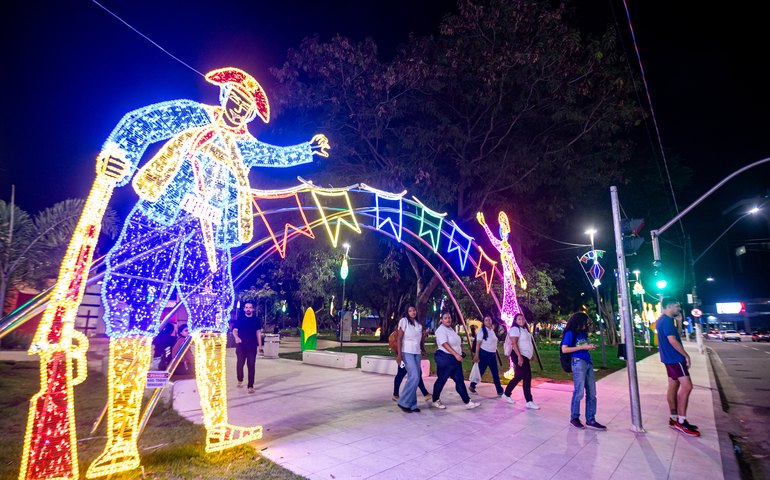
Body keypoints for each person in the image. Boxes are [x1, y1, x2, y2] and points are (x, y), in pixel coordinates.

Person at [85, 67, 330, 476]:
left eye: (246, 106)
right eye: (234, 99)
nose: (238, 109)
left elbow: (275, 154)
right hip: (159, 220)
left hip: (210, 239)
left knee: (212, 321)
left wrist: (308, 149)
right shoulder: (190, 115)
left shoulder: (244, 147)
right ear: (222, 94)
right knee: (134, 312)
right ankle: (120, 444)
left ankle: (217, 427)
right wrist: (119, 156)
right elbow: (141, 123)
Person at [656, 297, 700, 437]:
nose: (679, 309)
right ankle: (682, 422)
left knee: (673, 386)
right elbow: (673, 340)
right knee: (687, 387)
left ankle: (674, 418)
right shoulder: (667, 321)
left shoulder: (663, 320)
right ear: (669, 306)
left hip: (668, 359)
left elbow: (676, 335)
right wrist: (686, 355)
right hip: (675, 358)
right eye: (677, 307)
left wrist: (680, 322)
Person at [561, 312, 606, 430]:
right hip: (578, 362)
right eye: (585, 322)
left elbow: (582, 347)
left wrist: (589, 346)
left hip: (588, 363)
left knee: (592, 393)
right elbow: (564, 349)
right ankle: (574, 417)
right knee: (579, 391)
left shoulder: (582, 334)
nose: (587, 324)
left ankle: (591, 419)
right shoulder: (570, 333)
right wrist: (583, 347)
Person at [431, 310, 480, 410]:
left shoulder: (450, 329)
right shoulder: (440, 330)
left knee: (459, 380)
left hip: (455, 360)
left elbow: (456, 341)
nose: (448, 319)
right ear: (441, 320)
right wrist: (456, 354)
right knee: (442, 380)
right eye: (445, 318)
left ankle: (467, 402)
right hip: (446, 359)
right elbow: (444, 343)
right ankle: (435, 400)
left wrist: (460, 351)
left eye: (449, 317)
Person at [393, 305, 431, 404]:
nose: (413, 312)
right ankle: (403, 401)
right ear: (407, 312)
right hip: (406, 352)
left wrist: (422, 348)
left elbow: (419, 340)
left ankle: (411, 404)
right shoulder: (404, 321)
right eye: (410, 311)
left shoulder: (418, 324)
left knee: (416, 377)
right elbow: (399, 338)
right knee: (414, 376)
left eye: (414, 310)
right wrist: (399, 355)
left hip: (416, 353)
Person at [502, 313, 539, 409]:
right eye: (519, 319)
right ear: (515, 321)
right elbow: (514, 343)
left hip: (524, 355)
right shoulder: (515, 329)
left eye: (522, 319)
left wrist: (530, 355)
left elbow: (526, 343)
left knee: (518, 376)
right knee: (527, 377)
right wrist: (519, 356)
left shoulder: (524, 330)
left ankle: (506, 394)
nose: (521, 321)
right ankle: (529, 401)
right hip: (518, 354)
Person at [470, 314, 504, 397]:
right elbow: (478, 344)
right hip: (484, 354)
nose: (488, 322)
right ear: (483, 322)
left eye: (489, 320)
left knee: (495, 373)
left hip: (492, 355)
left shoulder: (491, 330)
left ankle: (499, 390)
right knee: (480, 371)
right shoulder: (482, 331)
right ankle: (472, 385)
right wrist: (477, 355)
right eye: (486, 320)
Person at [233, 301, 260, 393]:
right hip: (241, 346)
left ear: (252, 309)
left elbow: (258, 333)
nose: (248, 309)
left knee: (251, 365)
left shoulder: (256, 320)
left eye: (250, 307)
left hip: (252, 346)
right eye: (247, 307)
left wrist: (260, 346)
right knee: (240, 364)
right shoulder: (240, 319)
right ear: (244, 309)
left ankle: (250, 386)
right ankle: (240, 379)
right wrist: (236, 337)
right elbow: (235, 330)